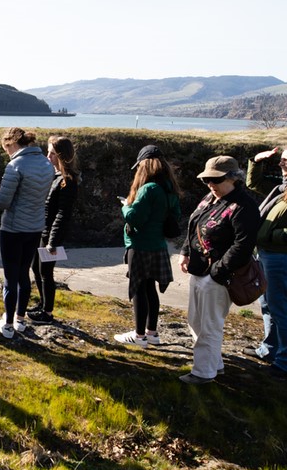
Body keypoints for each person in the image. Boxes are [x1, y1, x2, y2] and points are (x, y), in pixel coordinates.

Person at [178, 156, 259, 384]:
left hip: (220, 276)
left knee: (209, 325)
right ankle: (215, 365)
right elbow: (194, 226)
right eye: (207, 180)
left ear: (234, 178)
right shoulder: (210, 199)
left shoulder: (244, 206)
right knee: (196, 321)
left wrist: (217, 272)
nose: (211, 184)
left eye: (216, 180)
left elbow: (243, 246)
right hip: (200, 270)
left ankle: (204, 373)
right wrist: (186, 251)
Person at [113, 144, 181, 347]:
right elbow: (175, 216)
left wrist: (126, 207)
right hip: (159, 245)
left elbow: (134, 218)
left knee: (139, 289)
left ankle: (139, 335)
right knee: (150, 288)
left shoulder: (148, 189)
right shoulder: (170, 189)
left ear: (145, 165)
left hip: (140, 245)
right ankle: (152, 333)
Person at [0, 128, 54, 338]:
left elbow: (3, 202)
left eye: (6, 148)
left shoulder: (15, 165)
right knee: (24, 274)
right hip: (35, 227)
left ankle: (8, 325)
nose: (7, 153)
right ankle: (19, 318)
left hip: (12, 228)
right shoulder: (47, 164)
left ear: (11, 143)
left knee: (11, 277)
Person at [244, 144, 287, 361]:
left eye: (286, 161)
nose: (282, 164)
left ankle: (284, 360)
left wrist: (271, 235)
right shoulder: (282, 188)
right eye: (282, 160)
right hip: (267, 254)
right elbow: (254, 182)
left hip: (280, 256)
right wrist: (257, 161)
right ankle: (270, 349)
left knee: (279, 307)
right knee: (268, 304)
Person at [29, 135, 79, 323]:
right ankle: (43, 304)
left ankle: (47, 313)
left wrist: (53, 241)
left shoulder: (68, 180)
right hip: (43, 230)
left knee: (45, 273)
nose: (47, 157)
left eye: (51, 154)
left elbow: (62, 214)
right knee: (36, 268)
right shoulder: (55, 176)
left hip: (51, 234)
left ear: (61, 156)